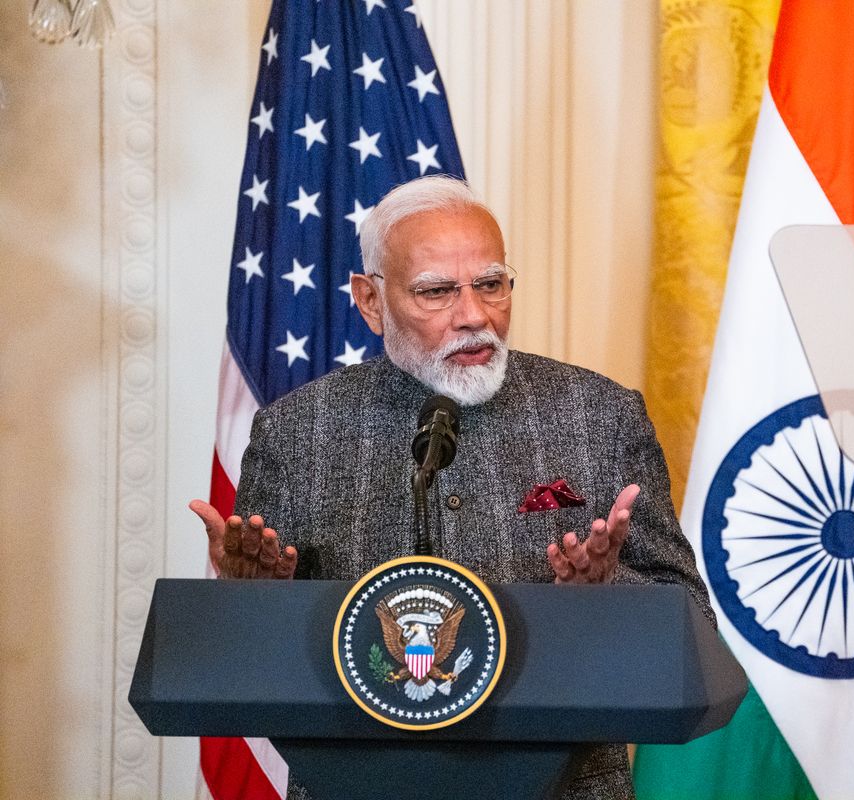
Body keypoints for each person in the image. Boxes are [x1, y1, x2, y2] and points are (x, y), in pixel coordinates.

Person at [189, 175, 713, 799]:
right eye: (437, 291)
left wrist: (601, 599)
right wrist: (256, 600)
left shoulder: (598, 414)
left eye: (490, 285)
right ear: (370, 301)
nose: (474, 315)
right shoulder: (299, 432)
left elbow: (691, 619)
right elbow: (259, 663)